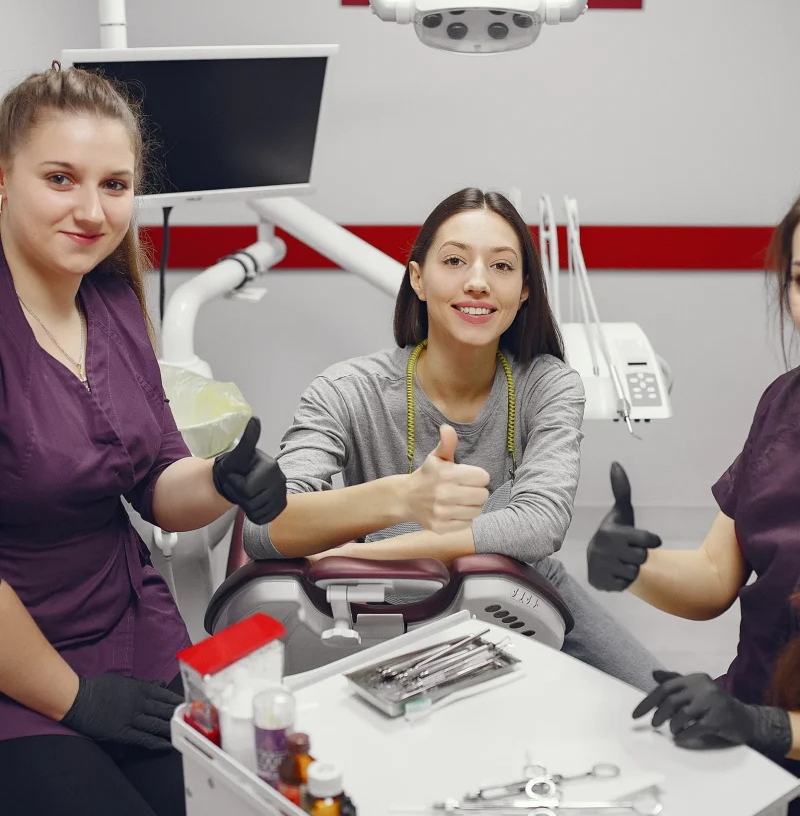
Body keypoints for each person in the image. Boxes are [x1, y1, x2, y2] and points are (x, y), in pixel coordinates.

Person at [0, 64, 287, 816]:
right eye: (60, 178)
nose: (92, 210)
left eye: (115, 185)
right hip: (17, 664)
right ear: (3, 177)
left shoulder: (114, 297)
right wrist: (73, 698)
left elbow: (155, 474)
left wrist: (222, 480)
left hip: (130, 630)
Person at [243, 186, 664, 692]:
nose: (479, 282)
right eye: (455, 260)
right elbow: (265, 529)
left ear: (525, 290)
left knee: (656, 703)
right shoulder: (347, 390)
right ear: (418, 278)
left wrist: (363, 552)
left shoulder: (548, 385)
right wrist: (401, 498)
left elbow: (537, 527)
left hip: (521, 592)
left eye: (503, 267)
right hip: (381, 606)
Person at [586, 195, 800, 783]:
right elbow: (714, 576)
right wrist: (634, 564)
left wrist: (771, 727)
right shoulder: (783, 402)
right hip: (750, 733)